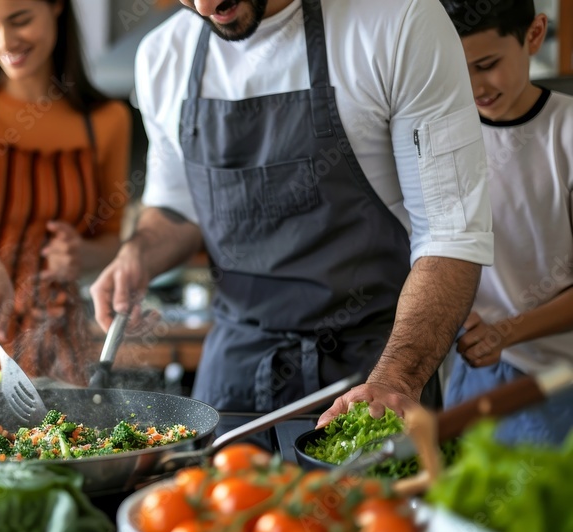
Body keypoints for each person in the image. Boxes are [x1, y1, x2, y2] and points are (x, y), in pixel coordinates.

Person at [90, 0, 495, 420]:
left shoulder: (400, 21)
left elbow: (450, 235)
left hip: (372, 373)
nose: (205, 5)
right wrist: (137, 255)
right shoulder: (163, 54)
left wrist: (396, 380)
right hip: (233, 378)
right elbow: (176, 208)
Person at [0, 0, 130, 381]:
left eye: (19, 20)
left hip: (57, 341)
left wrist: (81, 254)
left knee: (64, 440)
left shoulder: (107, 121)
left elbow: (113, 238)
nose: (5, 40)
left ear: (55, 7)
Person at [438, 0, 573, 445]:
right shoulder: (440, 135)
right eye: (458, 69)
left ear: (534, 35)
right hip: (470, 375)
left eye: (487, 64)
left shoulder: (566, 133)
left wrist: (506, 331)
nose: (474, 85)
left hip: (555, 381)